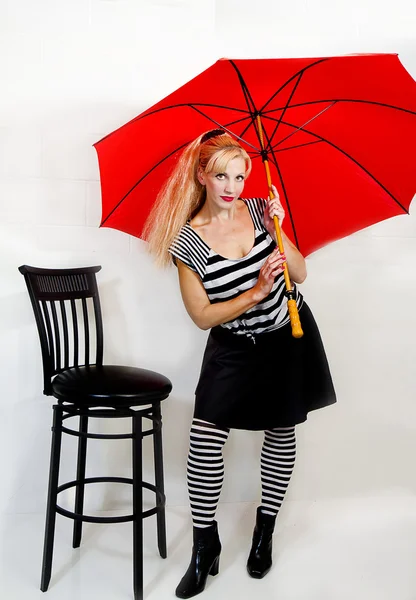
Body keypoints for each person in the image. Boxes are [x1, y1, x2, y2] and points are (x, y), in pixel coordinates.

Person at [143, 129, 336, 599]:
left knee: (281, 430)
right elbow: (202, 315)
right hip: (232, 345)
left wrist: (278, 229)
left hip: (285, 338)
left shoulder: (258, 212)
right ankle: (203, 545)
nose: (232, 186)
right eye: (222, 175)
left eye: (240, 175)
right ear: (203, 176)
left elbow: (301, 272)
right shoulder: (187, 241)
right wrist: (253, 294)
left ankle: (263, 532)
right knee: (206, 437)